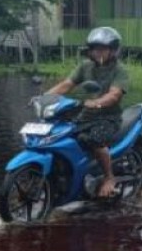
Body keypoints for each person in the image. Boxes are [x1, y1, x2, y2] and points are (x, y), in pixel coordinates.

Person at [46, 26, 130, 198]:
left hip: (109, 117)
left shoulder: (119, 70)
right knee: (60, 134)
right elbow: (66, 85)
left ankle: (109, 177)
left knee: (94, 139)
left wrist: (97, 103)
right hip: (85, 115)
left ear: (113, 50)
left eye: (102, 49)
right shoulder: (85, 66)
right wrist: (44, 98)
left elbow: (114, 95)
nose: (98, 52)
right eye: (95, 48)